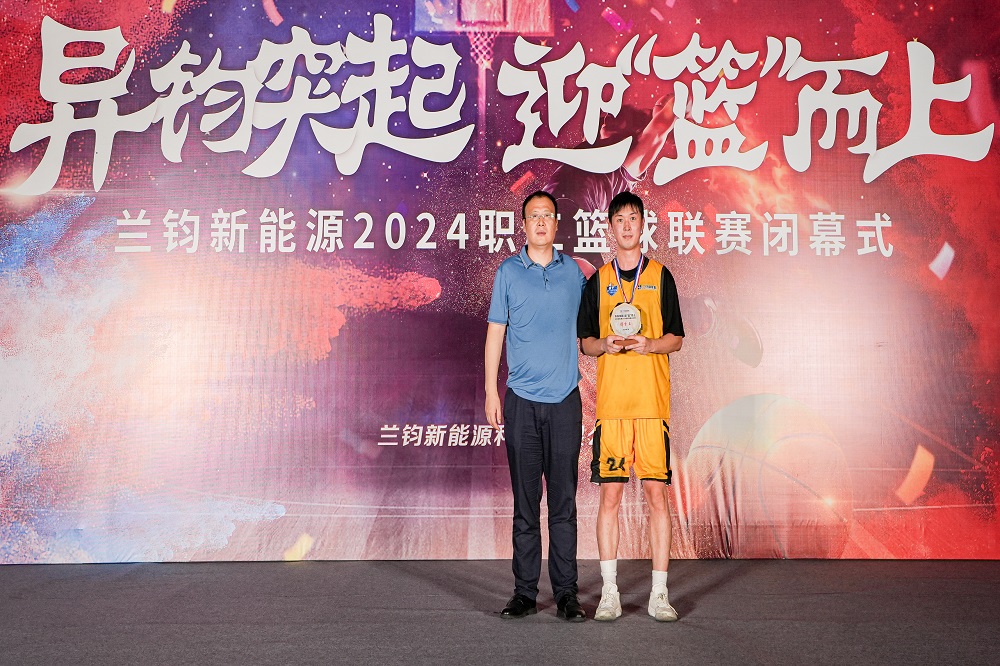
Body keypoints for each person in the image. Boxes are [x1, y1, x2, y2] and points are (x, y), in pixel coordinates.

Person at [577, 190, 685, 622]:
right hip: (613, 408)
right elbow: (586, 342)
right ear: (610, 227)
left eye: (633, 219)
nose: (626, 226)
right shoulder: (598, 281)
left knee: (657, 496)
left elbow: (676, 338)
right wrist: (604, 344)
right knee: (611, 497)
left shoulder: (660, 276)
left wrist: (649, 345)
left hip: (652, 406)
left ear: (643, 225)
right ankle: (609, 592)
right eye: (619, 219)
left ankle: (659, 593)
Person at [485, 190, 588, 622]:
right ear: (523, 224)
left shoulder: (574, 274)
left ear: (557, 223)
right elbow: (495, 332)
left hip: (564, 402)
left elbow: (594, 326)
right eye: (533, 216)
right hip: (521, 404)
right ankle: (525, 593)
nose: (541, 222)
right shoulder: (508, 272)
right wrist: (491, 391)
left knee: (563, 505)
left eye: (548, 215)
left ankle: (566, 594)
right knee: (525, 505)